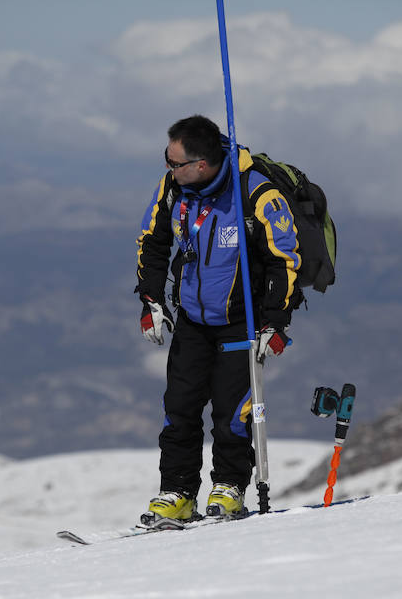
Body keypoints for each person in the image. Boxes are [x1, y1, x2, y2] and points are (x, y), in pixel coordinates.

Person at [134, 115, 301, 523]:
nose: (168, 168)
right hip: (192, 318)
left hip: (242, 322)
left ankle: (229, 487)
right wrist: (152, 299)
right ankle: (177, 492)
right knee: (180, 408)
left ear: (202, 164)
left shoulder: (255, 194)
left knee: (232, 413)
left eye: (175, 162)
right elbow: (152, 242)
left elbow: (284, 260)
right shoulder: (173, 189)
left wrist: (275, 322)